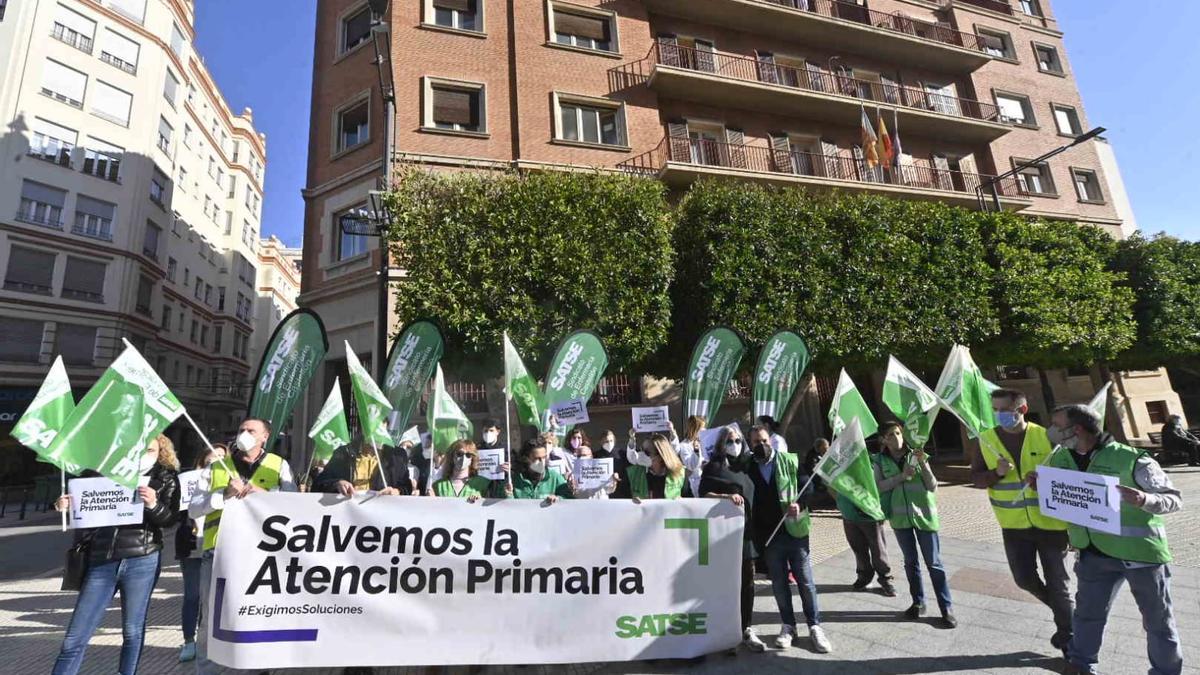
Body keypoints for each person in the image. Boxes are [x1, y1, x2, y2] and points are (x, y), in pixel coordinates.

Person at [1041, 405, 1183, 675]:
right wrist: (1042, 484)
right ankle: (1081, 665)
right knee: (1087, 616)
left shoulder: (1133, 459)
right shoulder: (1061, 458)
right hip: (1092, 555)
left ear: (1077, 429)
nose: (1052, 431)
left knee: (1158, 622)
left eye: (1057, 425)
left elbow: (1174, 499)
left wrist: (1144, 500)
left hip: (1141, 556)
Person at [51, 435, 180, 675]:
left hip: (142, 556)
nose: (143, 453)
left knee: (132, 631)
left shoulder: (166, 477)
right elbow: (83, 503)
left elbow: (170, 519)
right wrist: (64, 505)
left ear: (160, 451)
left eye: (149, 449)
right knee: (75, 636)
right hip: (102, 559)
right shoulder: (102, 472)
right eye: (137, 447)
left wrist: (153, 504)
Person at [189, 418, 296, 675]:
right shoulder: (216, 467)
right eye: (241, 430)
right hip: (219, 552)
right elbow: (194, 508)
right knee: (210, 620)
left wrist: (261, 494)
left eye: (251, 431)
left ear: (264, 438)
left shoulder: (279, 466)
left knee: (258, 616)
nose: (244, 434)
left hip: (262, 556)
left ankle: (256, 669)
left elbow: (293, 505)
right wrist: (223, 495)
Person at [972, 388, 1072, 652]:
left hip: (1052, 525)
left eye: (1004, 410)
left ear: (1022, 409)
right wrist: (997, 472)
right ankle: (1068, 615)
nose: (999, 415)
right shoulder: (986, 439)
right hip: (1013, 526)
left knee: (1059, 585)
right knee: (1024, 579)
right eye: (995, 410)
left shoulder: (1046, 436)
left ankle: (1070, 638)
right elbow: (977, 479)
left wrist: (1045, 482)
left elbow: (1069, 477)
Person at [745, 424, 832, 653]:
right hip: (769, 537)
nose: (760, 445)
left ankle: (815, 626)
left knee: (805, 580)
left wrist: (800, 504)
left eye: (763, 440)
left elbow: (809, 486)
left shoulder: (789, 461)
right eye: (755, 442)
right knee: (780, 584)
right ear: (750, 444)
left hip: (794, 532)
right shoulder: (748, 467)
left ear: (770, 440)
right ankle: (788, 626)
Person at [874, 421, 955, 629]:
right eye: (891, 434)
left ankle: (946, 608)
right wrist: (902, 476)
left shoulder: (917, 454)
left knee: (934, 564)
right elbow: (879, 487)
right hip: (900, 521)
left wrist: (922, 464)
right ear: (883, 439)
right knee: (911, 563)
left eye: (899, 433)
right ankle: (918, 603)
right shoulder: (880, 461)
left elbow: (932, 485)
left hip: (925, 518)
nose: (897, 437)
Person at [699, 425, 765, 653]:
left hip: (748, 535)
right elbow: (703, 494)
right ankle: (726, 631)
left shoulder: (748, 466)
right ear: (720, 444)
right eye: (729, 441)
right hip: (724, 537)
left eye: (737, 440)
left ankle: (746, 627)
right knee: (727, 584)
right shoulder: (714, 467)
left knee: (747, 584)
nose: (734, 445)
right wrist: (727, 496)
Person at [821, 436, 894, 596]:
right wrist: (841, 502)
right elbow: (829, 485)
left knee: (878, 549)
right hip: (849, 516)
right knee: (858, 549)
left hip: (870, 514)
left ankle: (885, 578)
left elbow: (879, 486)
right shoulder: (838, 465)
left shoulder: (870, 462)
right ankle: (864, 576)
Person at [175, 444, 226, 663]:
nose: (216, 461)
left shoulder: (231, 481)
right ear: (202, 462)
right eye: (211, 459)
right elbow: (175, 513)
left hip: (217, 545)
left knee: (213, 600)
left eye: (222, 458)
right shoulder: (188, 481)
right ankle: (189, 640)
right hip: (192, 546)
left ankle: (208, 642)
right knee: (193, 597)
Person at [316, 435, 410, 496]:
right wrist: (337, 483)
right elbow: (319, 483)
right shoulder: (344, 453)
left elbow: (406, 487)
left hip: (383, 518)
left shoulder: (397, 456)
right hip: (347, 517)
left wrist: (397, 492)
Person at [510, 437, 574, 502]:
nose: (542, 462)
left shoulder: (554, 477)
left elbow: (569, 497)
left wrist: (558, 498)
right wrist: (508, 495)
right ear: (526, 459)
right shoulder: (514, 479)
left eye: (544, 457)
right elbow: (506, 507)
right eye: (537, 458)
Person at [431, 439, 497, 500]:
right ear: (452, 456)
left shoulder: (483, 483)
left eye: (468, 455)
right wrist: (430, 501)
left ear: (472, 459)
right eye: (459, 454)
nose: (463, 458)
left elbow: (496, 506)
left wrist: (481, 502)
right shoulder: (438, 485)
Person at [626, 433, 686, 500]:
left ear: (660, 455)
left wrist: (681, 500)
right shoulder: (633, 472)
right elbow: (623, 499)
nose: (641, 454)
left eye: (647, 452)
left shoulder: (679, 472)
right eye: (641, 449)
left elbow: (690, 497)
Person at [678, 415, 707, 498]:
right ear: (694, 429)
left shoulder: (704, 442)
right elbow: (691, 465)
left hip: (708, 480)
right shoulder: (684, 445)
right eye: (702, 428)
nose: (705, 430)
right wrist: (696, 451)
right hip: (694, 483)